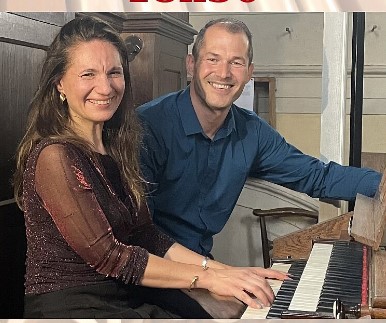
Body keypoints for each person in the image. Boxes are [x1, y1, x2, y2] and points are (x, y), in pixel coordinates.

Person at [13, 16, 288, 319]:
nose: (105, 87)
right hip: (72, 307)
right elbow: (111, 257)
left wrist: (229, 272)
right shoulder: (55, 156)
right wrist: (208, 279)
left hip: (124, 296)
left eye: (114, 72)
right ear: (60, 83)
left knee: (239, 308)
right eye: (88, 74)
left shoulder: (117, 148)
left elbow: (147, 235)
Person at [137, 17, 382, 257]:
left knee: (264, 296)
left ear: (249, 72)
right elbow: (141, 234)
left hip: (200, 265)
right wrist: (215, 279)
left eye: (236, 62)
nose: (224, 73)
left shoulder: (252, 132)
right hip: (151, 270)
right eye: (213, 59)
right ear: (191, 64)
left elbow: (316, 176)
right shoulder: (149, 125)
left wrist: (382, 185)